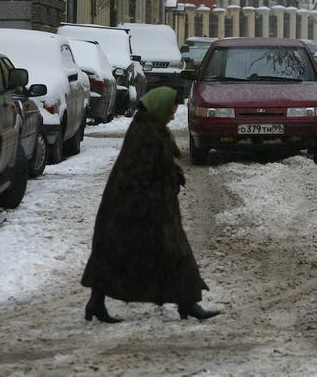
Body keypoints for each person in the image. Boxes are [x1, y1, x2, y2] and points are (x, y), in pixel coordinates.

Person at [81, 86, 220, 323]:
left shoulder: (150, 129)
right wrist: (159, 194)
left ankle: (97, 302)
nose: (173, 116)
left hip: (132, 207)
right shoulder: (147, 134)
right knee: (172, 253)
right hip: (140, 209)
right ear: (159, 107)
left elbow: (153, 165)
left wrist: (172, 172)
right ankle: (188, 304)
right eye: (171, 110)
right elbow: (139, 173)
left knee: (117, 255)